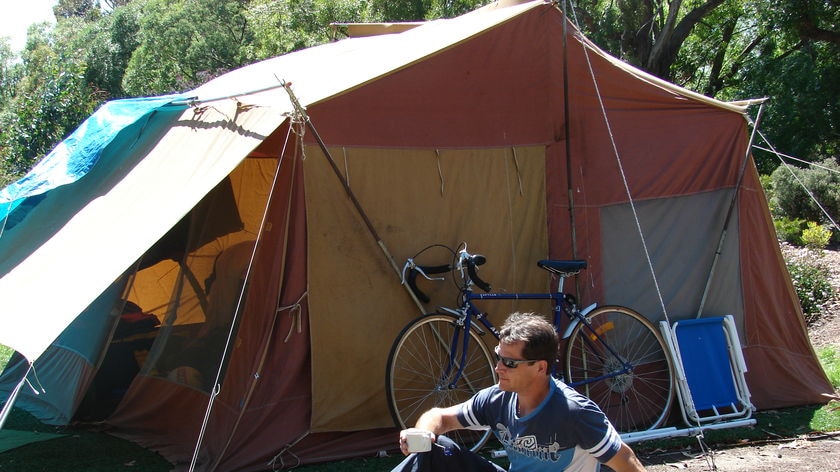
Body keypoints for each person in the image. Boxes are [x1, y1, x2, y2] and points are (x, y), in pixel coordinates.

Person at [394, 312, 647, 472]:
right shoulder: (496, 399)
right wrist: (423, 434)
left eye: (510, 363)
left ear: (540, 367)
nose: (498, 368)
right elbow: (441, 416)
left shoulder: (574, 413)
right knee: (437, 451)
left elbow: (627, 462)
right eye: (498, 357)